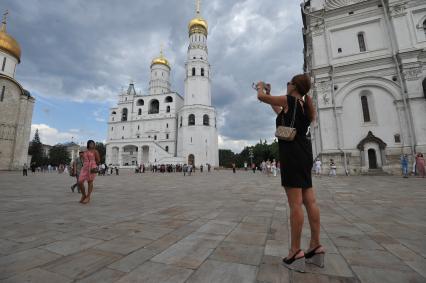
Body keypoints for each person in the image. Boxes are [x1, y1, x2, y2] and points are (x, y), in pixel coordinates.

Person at [256, 75, 324, 272]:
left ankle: (295, 251)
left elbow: (261, 98)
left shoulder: (289, 100)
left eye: (288, 83)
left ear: (294, 86)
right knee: (310, 200)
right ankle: (316, 246)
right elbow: (279, 111)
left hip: (291, 154)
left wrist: (260, 88)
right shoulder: (304, 106)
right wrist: (269, 94)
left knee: (295, 204)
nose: (286, 85)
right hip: (304, 152)